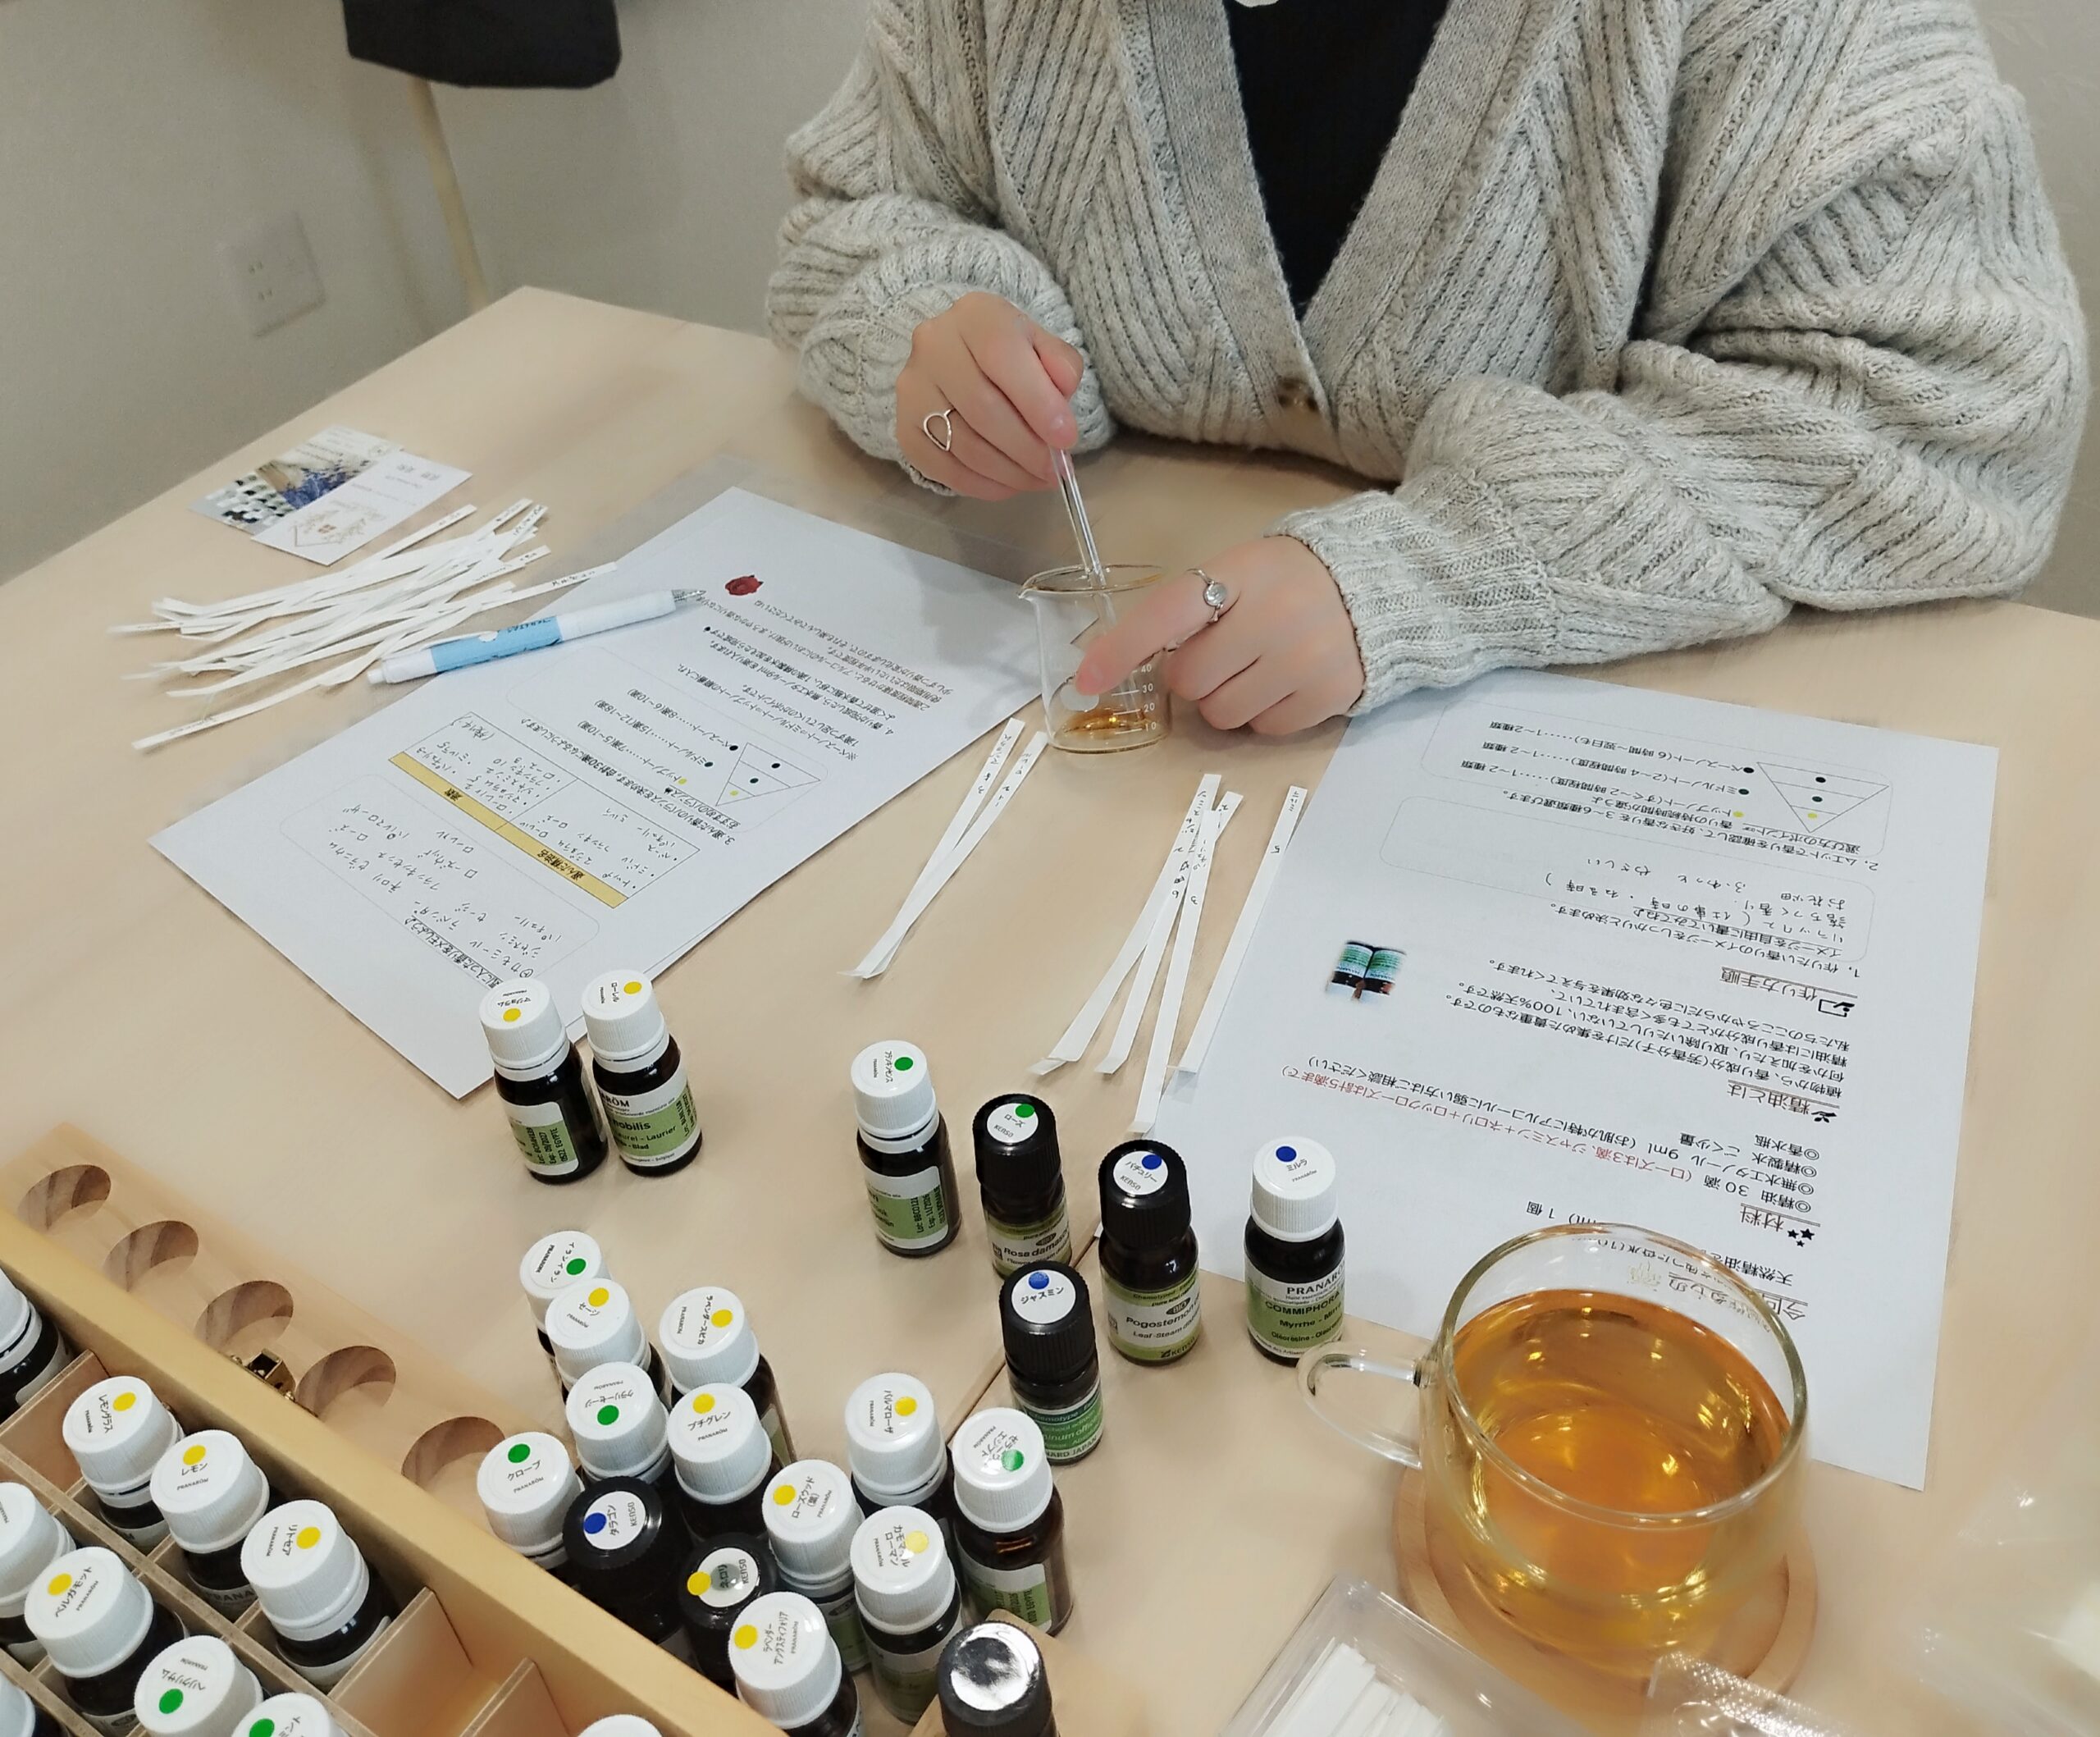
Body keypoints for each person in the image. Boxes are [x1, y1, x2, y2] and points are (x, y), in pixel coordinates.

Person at [768, 0, 2086, 735]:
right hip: (1053, 743)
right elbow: (855, 212)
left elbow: (1957, 421)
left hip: (1590, 772)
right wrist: (919, 333)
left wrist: (1435, 571)